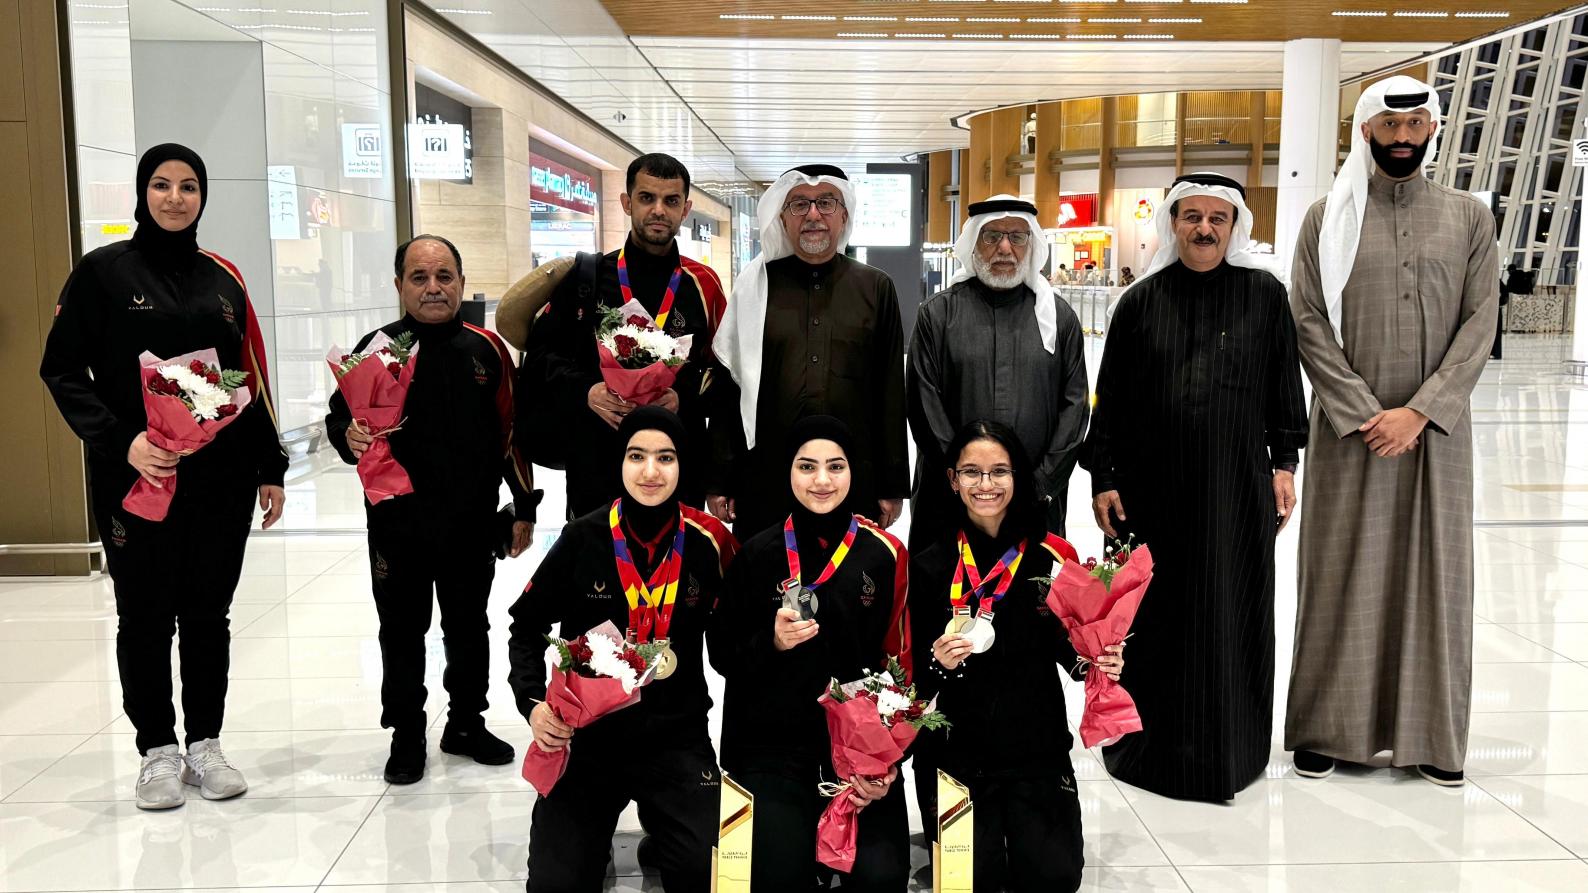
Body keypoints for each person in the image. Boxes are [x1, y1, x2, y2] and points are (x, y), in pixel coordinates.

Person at [40, 143, 287, 810]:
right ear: (142, 193)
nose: (175, 197)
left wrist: (271, 466)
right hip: (137, 477)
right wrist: (126, 442)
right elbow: (61, 370)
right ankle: (157, 748)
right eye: (161, 184)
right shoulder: (103, 274)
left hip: (220, 480)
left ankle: (205, 742)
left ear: (202, 196)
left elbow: (245, 376)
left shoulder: (223, 277)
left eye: (188, 186)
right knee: (144, 615)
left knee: (208, 613)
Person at [1285, 76, 1498, 787]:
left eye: (1415, 126)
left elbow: (1480, 322)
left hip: (1437, 434)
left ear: (1433, 130)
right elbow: (1308, 318)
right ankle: (1325, 729)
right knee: (1342, 575)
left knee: (1435, 580)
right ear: (1366, 130)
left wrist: (1422, 409)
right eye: (1390, 126)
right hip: (1352, 434)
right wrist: (1361, 408)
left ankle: (1433, 738)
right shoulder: (1327, 218)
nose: (1402, 138)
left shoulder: (1469, 218)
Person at [1080, 171, 1308, 801]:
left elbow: (1283, 390)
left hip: (1236, 490)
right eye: (1191, 217)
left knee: (1233, 612)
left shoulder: (1263, 296)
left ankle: (1233, 750)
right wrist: (1104, 477)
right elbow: (1113, 403)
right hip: (1152, 494)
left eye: (1217, 218)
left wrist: (1283, 465)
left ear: (1234, 228)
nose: (1204, 229)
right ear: (1171, 223)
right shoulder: (1140, 302)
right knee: (1153, 618)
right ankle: (1149, 747)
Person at [326, 234, 540, 785]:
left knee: (468, 626)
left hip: (470, 522)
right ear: (399, 286)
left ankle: (466, 723)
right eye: (419, 278)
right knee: (400, 628)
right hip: (396, 523)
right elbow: (339, 417)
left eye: (444, 276)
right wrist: (345, 435)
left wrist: (522, 507)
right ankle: (406, 732)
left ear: (462, 284)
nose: (433, 288)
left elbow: (512, 433)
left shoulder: (486, 350)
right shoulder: (377, 347)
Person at [508, 406, 737, 892]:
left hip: (676, 737)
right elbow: (524, 627)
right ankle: (592, 840)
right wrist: (532, 705)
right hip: (590, 738)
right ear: (620, 462)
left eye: (666, 457)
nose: (651, 472)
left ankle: (668, 833)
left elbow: (733, 640)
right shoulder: (583, 537)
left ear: (682, 465)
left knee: (711, 874)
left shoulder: (709, 542)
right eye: (637, 456)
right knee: (557, 883)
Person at [910, 419, 1122, 893]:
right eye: (971, 472)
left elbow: (1070, 653)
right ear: (952, 480)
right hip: (957, 756)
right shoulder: (929, 564)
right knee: (971, 882)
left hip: (1035, 750)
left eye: (999, 472)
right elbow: (913, 685)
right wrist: (936, 663)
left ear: (1018, 477)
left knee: (1053, 878)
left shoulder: (1052, 558)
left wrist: (1097, 661)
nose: (985, 485)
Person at [710, 415, 912, 892]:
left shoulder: (884, 554)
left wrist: (884, 760)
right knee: (776, 878)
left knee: (881, 879)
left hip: (858, 749)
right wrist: (772, 643)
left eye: (835, 467)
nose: (822, 481)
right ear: (788, 472)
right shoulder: (756, 553)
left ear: (853, 472)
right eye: (807, 467)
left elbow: (900, 664)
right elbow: (722, 653)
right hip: (774, 748)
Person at [709, 164, 908, 539]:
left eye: (826, 203)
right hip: (766, 475)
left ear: (844, 215)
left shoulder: (877, 288)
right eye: (799, 204)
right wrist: (721, 475)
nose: (813, 214)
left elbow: (891, 391)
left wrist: (892, 483)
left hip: (853, 474)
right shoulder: (754, 288)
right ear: (782, 218)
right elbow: (729, 386)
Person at [523, 153, 728, 517]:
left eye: (671, 200)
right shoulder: (587, 277)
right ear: (627, 202)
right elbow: (539, 359)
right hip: (596, 465)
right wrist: (587, 390)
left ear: (686, 208)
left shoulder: (703, 285)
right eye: (647, 198)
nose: (659, 211)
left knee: (677, 569)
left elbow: (725, 373)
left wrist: (682, 398)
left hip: (679, 466)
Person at [907, 195, 1088, 552]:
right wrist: (968, 480)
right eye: (992, 237)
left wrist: (1040, 483)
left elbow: (1075, 407)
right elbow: (924, 407)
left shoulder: (1059, 318)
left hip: (1035, 500)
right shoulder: (937, 316)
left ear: (1031, 244)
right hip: (949, 499)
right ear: (973, 244)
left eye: (1017, 237)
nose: (1005, 248)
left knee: (1032, 601)